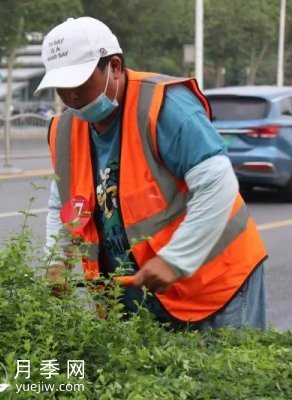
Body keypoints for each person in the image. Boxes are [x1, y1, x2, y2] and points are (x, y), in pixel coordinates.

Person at [36, 17, 268, 330]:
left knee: (228, 376)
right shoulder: (65, 133)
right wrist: (57, 261)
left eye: (80, 82)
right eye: (61, 86)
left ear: (114, 67)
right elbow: (62, 206)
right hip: (139, 303)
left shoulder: (163, 107)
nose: (72, 95)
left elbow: (217, 183)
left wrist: (175, 260)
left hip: (217, 287)